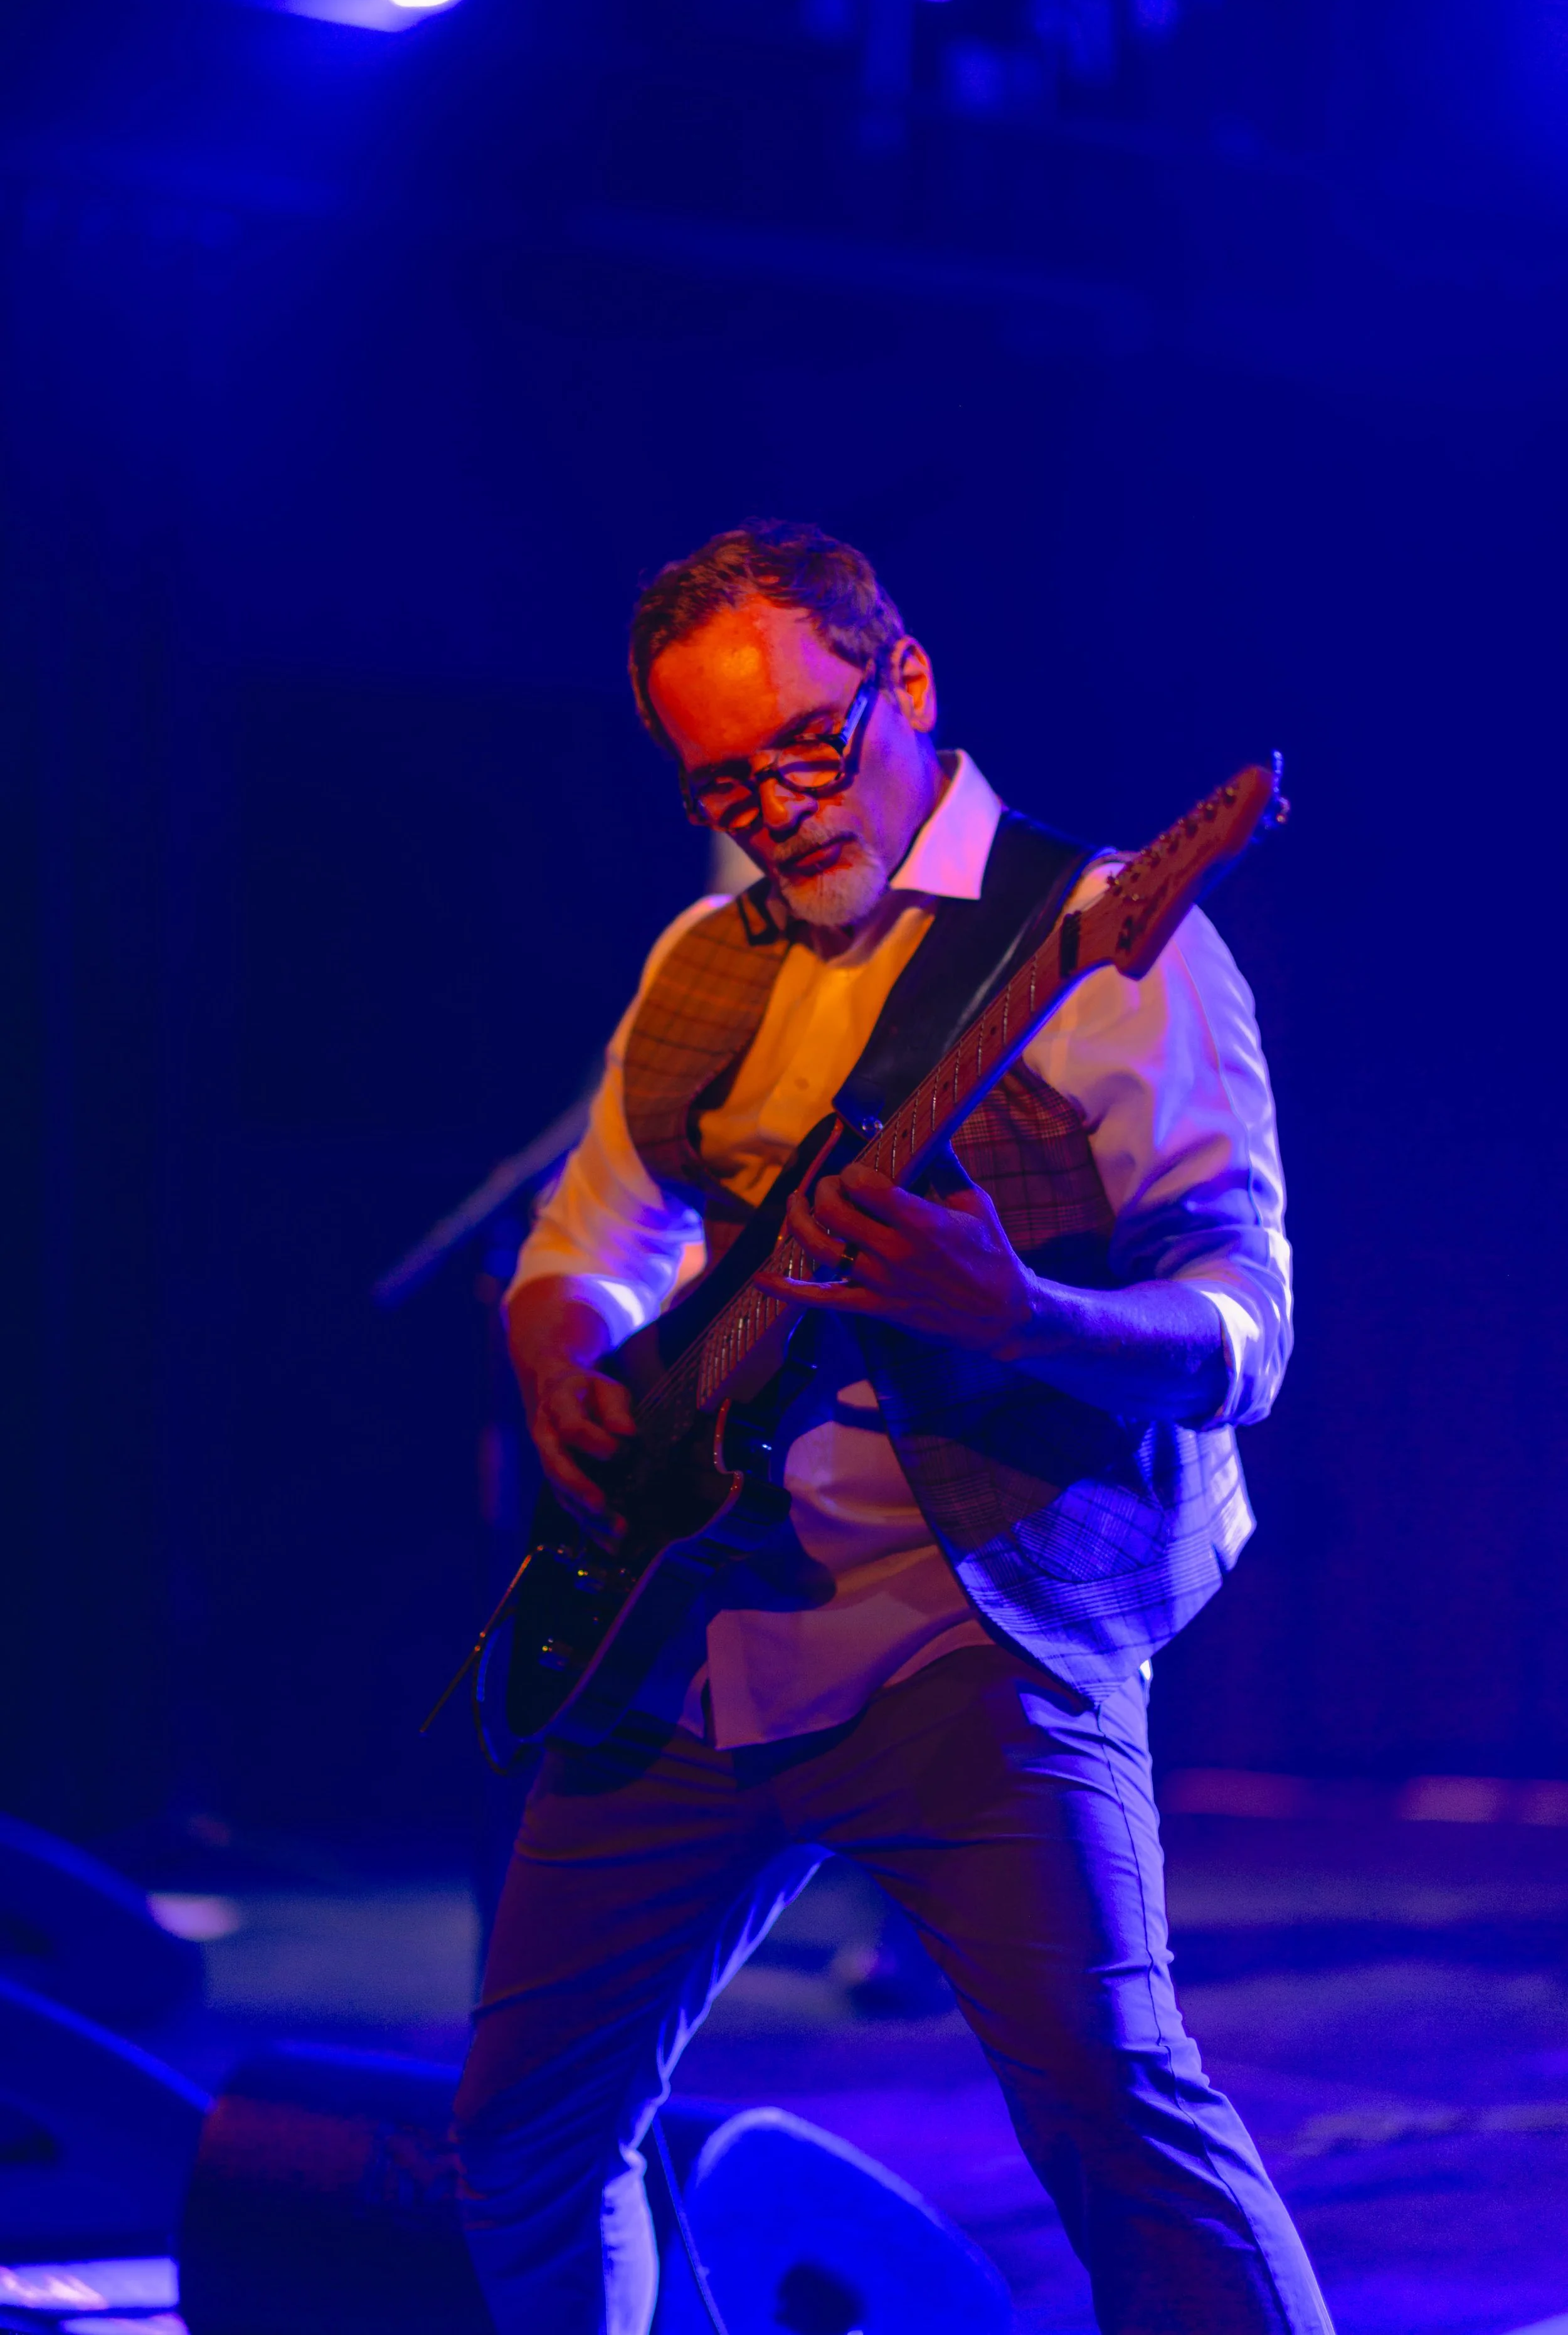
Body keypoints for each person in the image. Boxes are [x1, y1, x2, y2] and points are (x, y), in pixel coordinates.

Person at [453, 520, 1331, 2334]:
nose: (773, 807)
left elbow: (1242, 1340)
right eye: (722, 777)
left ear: (906, 683)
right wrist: (560, 1351)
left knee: (1121, 2121)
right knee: (522, 2141)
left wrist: (1015, 1308)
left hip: (977, 1631)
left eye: (803, 747)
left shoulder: (1114, 950)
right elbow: (587, 1244)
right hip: (685, 1637)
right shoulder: (701, 959)